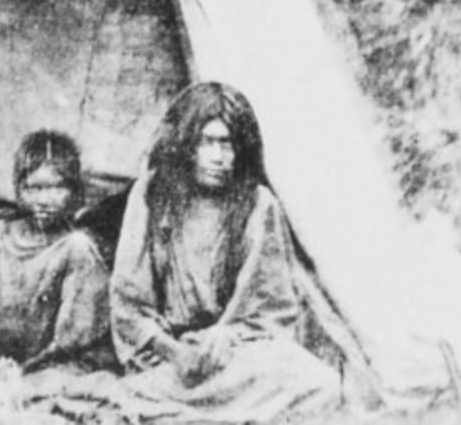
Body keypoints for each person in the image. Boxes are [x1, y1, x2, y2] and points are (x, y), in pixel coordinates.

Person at [109, 82, 341, 423]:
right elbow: (128, 306)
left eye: (227, 144)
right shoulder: (151, 194)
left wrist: (225, 336)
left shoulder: (258, 205)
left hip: (235, 359)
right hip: (169, 361)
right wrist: (174, 351)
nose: (218, 157)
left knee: (322, 384)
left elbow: (270, 313)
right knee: (133, 395)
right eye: (206, 142)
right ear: (185, 144)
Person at [0, 130, 114, 377]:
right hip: (3, 363)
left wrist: (27, 371)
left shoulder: (76, 249)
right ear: (19, 188)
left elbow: (76, 338)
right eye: (34, 188)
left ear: (74, 191)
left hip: (57, 366)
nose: (44, 200)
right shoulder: (1, 236)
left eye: (57, 188)